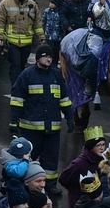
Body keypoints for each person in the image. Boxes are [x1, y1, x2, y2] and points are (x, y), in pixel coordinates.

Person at [10, 44, 73, 195]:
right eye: (46, 56)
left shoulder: (57, 76)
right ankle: (25, 183)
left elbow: (64, 99)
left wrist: (70, 117)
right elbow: (17, 100)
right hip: (31, 129)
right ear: (38, 58)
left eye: (51, 57)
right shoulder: (27, 75)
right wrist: (13, 120)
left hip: (52, 129)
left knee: (50, 159)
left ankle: (49, 184)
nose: (49, 59)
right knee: (28, 158)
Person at [0, 0, 46, 86]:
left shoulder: (32, 4)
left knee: (22, 65)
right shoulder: (5, 3)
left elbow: (37, 23)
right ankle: (15, 88)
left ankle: (22, 85)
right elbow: (0, 21)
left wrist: (41, 37)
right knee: (16, 65)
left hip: (27, 42)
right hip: (11, 42)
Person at [59, 125, 108, 208]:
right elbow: (63, 179)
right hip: (81, 205)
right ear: (91, 148)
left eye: (103, 144)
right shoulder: (79, 163)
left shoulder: (104, 160)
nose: (102, 148)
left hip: (97, 203)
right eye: (98, 145)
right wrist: (77, 189)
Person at [41, 0, 63, 64]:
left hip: (58, 37)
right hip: (48, 37)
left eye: (52, 3)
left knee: (56, 54)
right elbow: (43, 22)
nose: (50, 4)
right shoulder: (46, 11)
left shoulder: (60, 13)